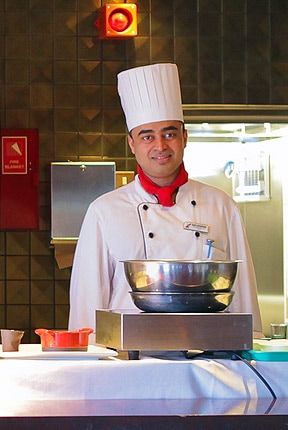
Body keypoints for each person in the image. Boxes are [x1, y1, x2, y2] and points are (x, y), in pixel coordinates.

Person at [69, 63, 261, 333]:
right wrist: (88, 363)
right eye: (147, 136)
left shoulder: (221, 205)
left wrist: (250, 346)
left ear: (184, 137)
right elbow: (88, 300)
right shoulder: (105, 211)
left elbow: (242, 292)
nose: (160, 146)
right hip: (129, 360)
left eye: (169, 134)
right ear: (132, 144)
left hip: (207, 357)